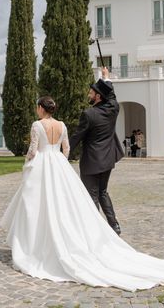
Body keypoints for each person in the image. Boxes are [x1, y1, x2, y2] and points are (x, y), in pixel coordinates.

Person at [1, 96, 164, 291]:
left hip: (42, 164)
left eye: (37, 107)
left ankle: (33, 246)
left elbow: (33, 149)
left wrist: (29, 160)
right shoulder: (62, 125)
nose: (37, 110)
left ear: (41, 108)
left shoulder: (37, 125)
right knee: (63, 203)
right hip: (58, 163)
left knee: (36, 204)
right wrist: (60, 162)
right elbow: (67, 149)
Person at [69, 67, 124, 235]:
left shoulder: (89, 114)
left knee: (91, 195)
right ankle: (114, 225)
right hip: (107, 159)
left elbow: (77, 137)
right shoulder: (113, 109)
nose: (89, 94)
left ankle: (93, 229)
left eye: (91, 93)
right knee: (103, 192)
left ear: (99, 97)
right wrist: (105, 78)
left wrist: (61, 153)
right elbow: (112, 96)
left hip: (92, 161)